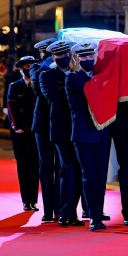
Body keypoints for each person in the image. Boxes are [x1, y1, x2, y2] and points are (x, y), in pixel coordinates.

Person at [66, 43, 112, 231]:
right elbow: (91, 91)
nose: (88, 60)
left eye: (90, 56)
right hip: (84, 134)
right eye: (83, 57)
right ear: (77, 59)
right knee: (90, 176)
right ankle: (93, 217)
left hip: (102, 133)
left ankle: (97, 213)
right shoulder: (73, 79)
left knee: (100, 177)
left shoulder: (99, 78)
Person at [40, 40, 85, 227]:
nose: (63, 58)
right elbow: (55, 98)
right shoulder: (47, 75)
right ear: (53, 57)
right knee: (70, 169)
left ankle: (69, 212)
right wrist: (72, 80)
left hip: (79, 130)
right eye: (59, 55)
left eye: (66, 54)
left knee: (76, 170)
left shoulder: (77, 75)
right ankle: (66, 212)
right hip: (61, 130)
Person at [29, 38, 60, 222]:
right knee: (47, 167)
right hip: (42, 124)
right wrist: (50, 63)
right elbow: (38, 90)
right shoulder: (38, 68)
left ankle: (61, 208)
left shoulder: (63, 69)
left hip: (59, 123)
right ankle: (49, 210)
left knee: (62, 168)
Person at [7, 56, 41, 212]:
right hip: (20, 132)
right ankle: (26, 200)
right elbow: (11, 108)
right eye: (26, 66)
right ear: (21, 69)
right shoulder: (15, 86)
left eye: (31, 66)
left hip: (36, 132)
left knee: (35, 166)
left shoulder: (40, 85)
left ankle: (33, 200)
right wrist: (16, 126)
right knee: (23, 166)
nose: (29, 69)